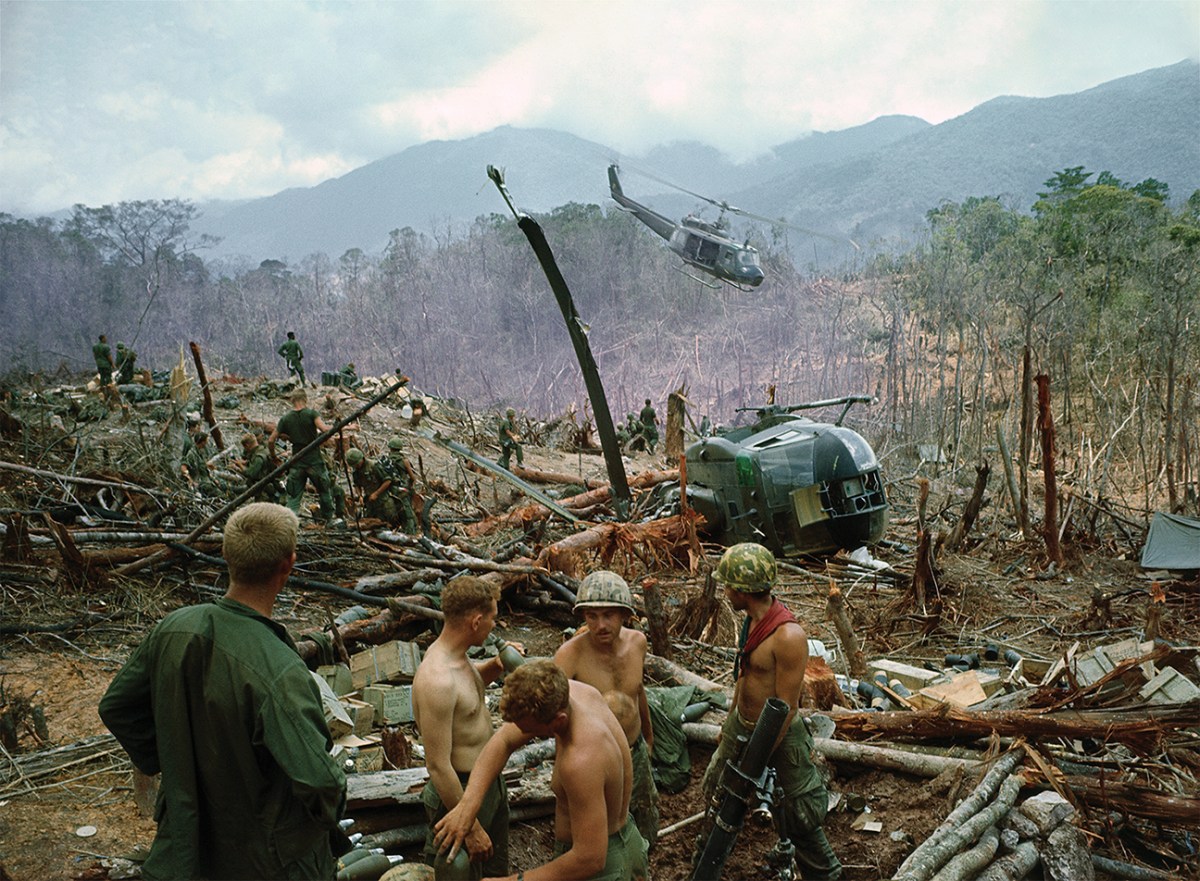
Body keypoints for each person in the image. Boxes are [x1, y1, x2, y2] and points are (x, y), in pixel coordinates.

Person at [98, 502, 347, 880]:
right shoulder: (280, 669)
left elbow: (117, 706)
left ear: (227, 556)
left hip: (187, 841)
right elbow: (320, 781)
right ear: (288, 564)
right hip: (268, 862)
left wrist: (175, 763)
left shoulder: (175, 627)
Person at [698, 543, 842, 880]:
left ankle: (825, 875)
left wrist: (760, 755)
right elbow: (744, 675)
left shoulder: (788, 636)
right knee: (717, 793)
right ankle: (703, 866)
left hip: (777, 734)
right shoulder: (751, 621)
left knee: (799, 815)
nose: (726, 592)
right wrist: (729, 722)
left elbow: (787, 706)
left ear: (744, 590)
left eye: (729, 586)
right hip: (742, 725)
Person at [434, 660, 648, 881]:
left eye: (528, 730)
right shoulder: (572, 692)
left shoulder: (581, 760)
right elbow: (504, 740)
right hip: (620, 843)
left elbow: (590, 859)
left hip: (601, 868)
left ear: (557, 721)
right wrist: (468, 805)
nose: (521, 733)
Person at [411, 575, 512, 879]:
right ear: (476, 621)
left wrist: (494, 666)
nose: (495, 625)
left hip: (487, 783)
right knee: (457, 873)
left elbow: (466, 696)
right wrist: (470, 826)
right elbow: (438, 766)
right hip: (459, 792)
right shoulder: (436, 679)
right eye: (493, 619)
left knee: (492, 871)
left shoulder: (458, 658)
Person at [554, 571, 658, 852]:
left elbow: (638, 692)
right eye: (592, 616)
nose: (600, 625)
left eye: (609, 615)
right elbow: (557, 717)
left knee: (646, 820)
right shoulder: (569, 655)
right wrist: (560, 770)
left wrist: (648, 738)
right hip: (596, 760)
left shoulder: (637, 643)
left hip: (634, 750)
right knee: (599, 832)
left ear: (625, 614)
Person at [268, 389, 335, 521]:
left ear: (292, 400)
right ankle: (328, 522)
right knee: (324, 492)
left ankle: (288, 523)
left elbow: (271, 440)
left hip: (297, 462)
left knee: (293, 497)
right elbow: (324, 429)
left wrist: (274, 456)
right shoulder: (311, 414)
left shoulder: (286, 419)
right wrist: (342, 427)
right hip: (315, 461)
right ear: (305, 399)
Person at [345, 447, 398, 525]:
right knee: (371, 523)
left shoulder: (374, 466)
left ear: (362, 459)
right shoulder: (356, 471)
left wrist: (376, 494)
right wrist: (360, 496)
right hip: (370, 502)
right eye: (354, 465)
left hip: (384, 500)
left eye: (357, 464)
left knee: (391, 521)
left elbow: (387, 481)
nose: (356, 466)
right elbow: (357, 485)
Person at [380, 436, 420, 533]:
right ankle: (412, 533)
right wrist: (411, 486)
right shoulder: (404, 461)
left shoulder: (385, 460)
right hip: (402, 491)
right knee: (408, 515)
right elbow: (413, 477)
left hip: (388, 490)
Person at [240, 432, 282, 503]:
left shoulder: (258, 457)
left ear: (247, 445)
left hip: (264, 491)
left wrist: (239, 466)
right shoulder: (263, 449)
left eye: (245, 447)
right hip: (270, 486)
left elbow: (251, 474)